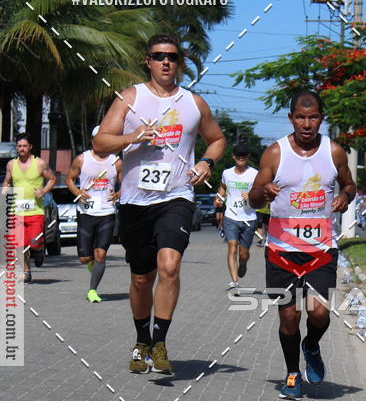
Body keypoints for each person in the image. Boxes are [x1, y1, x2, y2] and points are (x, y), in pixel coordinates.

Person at [93, 33, 226, 374]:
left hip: (176, 197)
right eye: (158, 56)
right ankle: (141, 340)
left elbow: (217, 139)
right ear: (148, 61)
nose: (166, 62)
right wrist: (132, 137)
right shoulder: (129, 99)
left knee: (169, 266)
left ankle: (161, 340)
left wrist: (206, 163)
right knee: (141, 279)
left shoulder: (193, 103)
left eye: (172, 57)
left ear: (178, 63)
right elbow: (100, 142)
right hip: (136, 202)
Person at [248, 88, 356, 401]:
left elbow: (349, 183)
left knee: (319, 312)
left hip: (320, 248)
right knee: (290, 316)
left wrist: (344, 197)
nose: (306, 124)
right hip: (281, 249)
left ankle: (311, 345)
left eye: (313, 117)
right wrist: (263, 191)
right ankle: (292, 374)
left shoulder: (333, 152)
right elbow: (253, 198)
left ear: (321, 119)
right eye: (300, 117)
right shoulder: (275, 153)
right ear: (291, 118)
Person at [65, 126, 122, 302]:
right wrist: (77, 192)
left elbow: (127, 183)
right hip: (86, 212)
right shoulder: (82, 159)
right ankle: (93, 267)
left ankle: (92, 290)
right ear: (93, 141)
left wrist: (118, 194)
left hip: (107, 212)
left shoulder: (116, 162)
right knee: (84, 257)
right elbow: (69, 179)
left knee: (100, 254)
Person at [1, 133, 56, 283]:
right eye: (19, 146)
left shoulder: (39, 163)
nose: (22, 149)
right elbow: (7, 181)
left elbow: (52, 179)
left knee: (35, 242)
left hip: (35, 211)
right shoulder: (11, 164)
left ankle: (39, 251)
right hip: (16, 211)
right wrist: (5, 187)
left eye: (25, 146)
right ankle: (26, 271)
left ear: (30, 147)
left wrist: (43, 191)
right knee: (19, 245)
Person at [217, 143, 259, 290]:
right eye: (238, 155)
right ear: (233, 156)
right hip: (230, 216)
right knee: (232, 246)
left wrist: (251, 195)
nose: (241, 158)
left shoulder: (254, 174)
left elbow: (260, 193)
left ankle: (243, 263)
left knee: (243, 254)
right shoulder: (227, 173)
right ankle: (234, 281)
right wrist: (218, 197)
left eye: (244, 155)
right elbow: (222, 187)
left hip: (249, 217)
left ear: (247, 157)